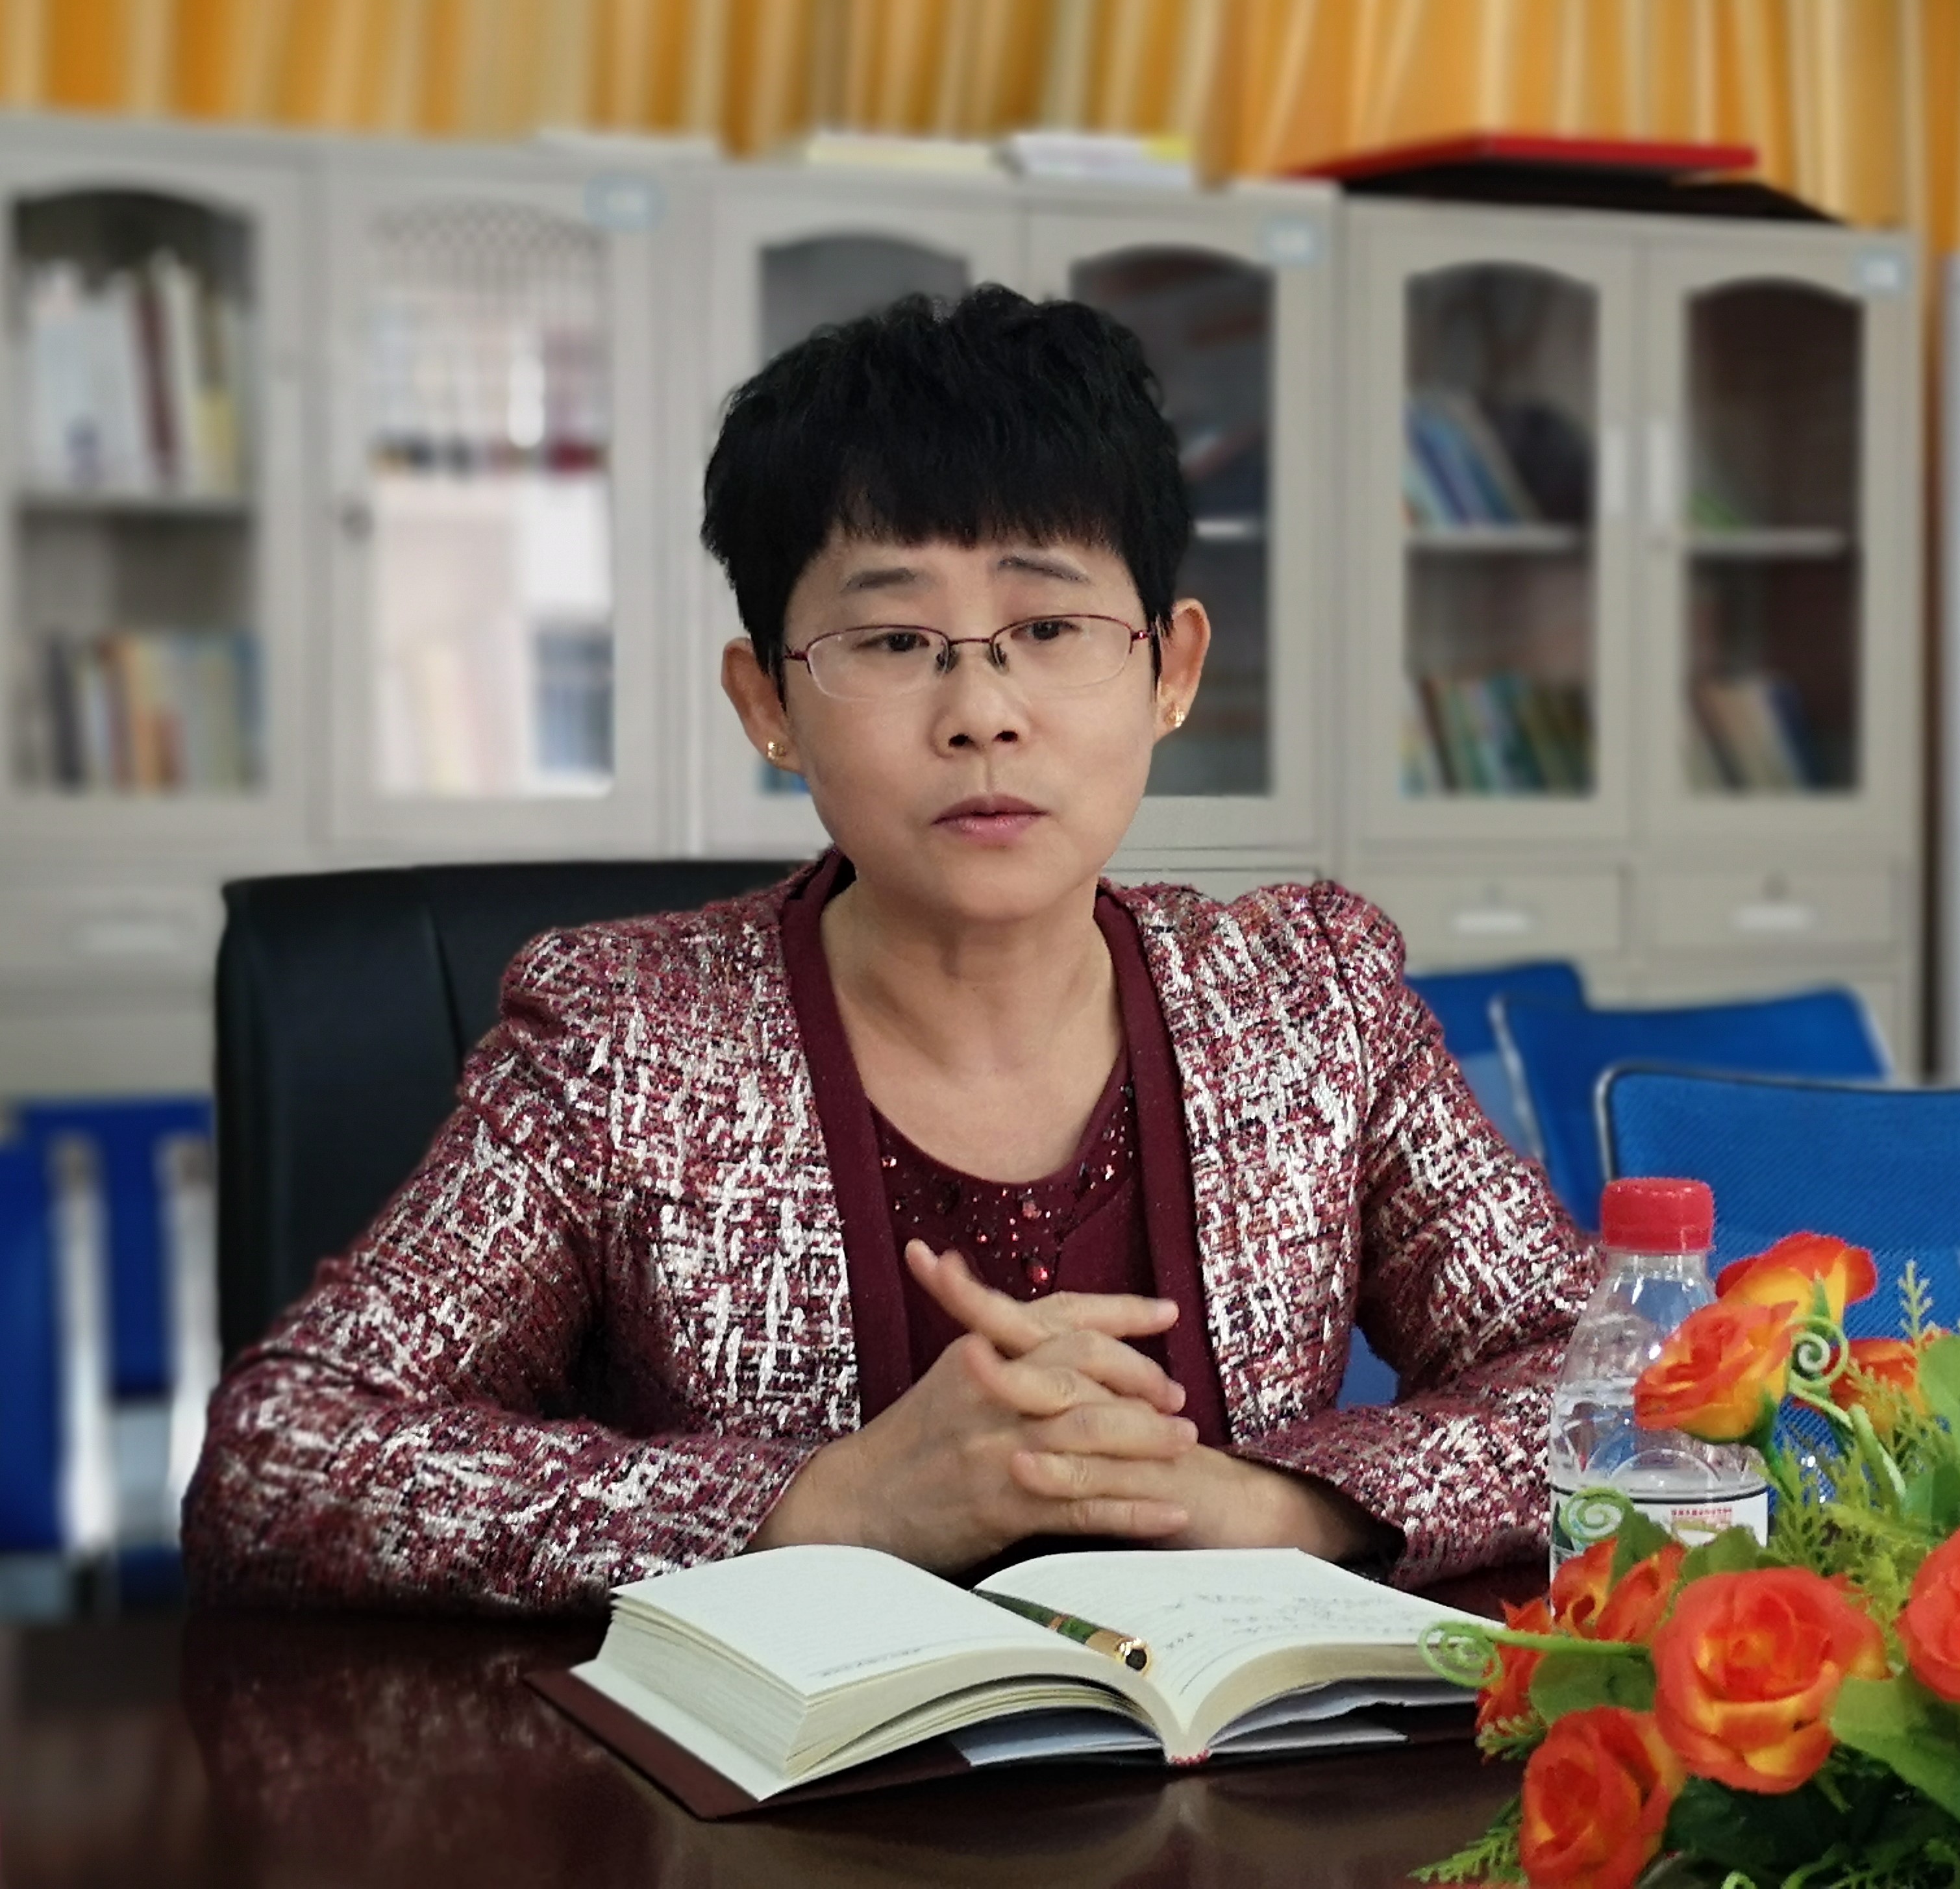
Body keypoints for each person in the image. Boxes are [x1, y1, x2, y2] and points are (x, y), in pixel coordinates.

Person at [182, 286, 1594, 1612]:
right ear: (767, 704)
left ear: (1169, 670)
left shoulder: (1306, 999)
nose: (980, 710)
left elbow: (1606, 1380)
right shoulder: (624, 1040)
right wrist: (822, 1505)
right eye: (892, 639)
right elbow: (280, 1455)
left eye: (1049, 625)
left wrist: (1284, 1506)